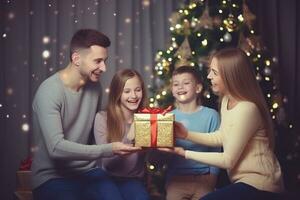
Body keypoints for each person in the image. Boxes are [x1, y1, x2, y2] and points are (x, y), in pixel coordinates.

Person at [31, 29, 140, 200]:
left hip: (88, 173)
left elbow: (94, 134)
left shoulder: (94, 88)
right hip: (52, 177)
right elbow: (55, 148)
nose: (103, 68)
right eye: (98, 61)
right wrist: (109, 149)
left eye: (105, 61)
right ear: (76, 59)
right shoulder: (49, 91)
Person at [164, 48, 284, 200]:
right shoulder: (227, 100)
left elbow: (228, 159)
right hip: (242, 182)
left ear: (230, 76)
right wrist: (186, 134)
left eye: (214, 72)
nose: (209, 76)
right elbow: (222, 136)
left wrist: (184, 153)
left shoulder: (247, 109)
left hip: (261, 185)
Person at [165, 66, 221, 200]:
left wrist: (212, 178)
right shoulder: (167, 117)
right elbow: (164, 153)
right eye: (176, 84)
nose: (180, 87)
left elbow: (216, 150)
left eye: (186, 83)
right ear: (172, 90)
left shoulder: (211, 115)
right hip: (176, 179)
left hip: (204, 178)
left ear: (198, 88)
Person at [94, 68, 150, 200]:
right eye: (127, 91)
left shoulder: (145, 119)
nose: (134, 96)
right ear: (117, 93)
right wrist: (130, 137)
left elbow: (153, 160)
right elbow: (108, 163)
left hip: (133, 180)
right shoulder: (102, 118)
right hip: (106, 179)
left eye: (138, 90)